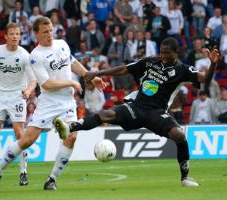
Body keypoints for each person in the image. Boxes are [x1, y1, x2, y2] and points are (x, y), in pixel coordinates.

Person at [54, 37, 220, 187]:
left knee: (180, 136)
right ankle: (70, 128)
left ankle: (185, 177)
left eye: (167, 53)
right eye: (161, 52)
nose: (162, 55)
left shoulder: (183, 70)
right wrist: (96, 73)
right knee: (106, 114)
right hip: (136, 107)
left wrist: (213, 63)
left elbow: (205, 79)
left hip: (157, 113)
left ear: (176, 53)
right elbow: (123, 69)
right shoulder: (150, 62)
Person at [0, 16, 105, 190]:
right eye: (45, 32)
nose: (49, 34)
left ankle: (52, 179)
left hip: (67, 103)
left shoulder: (62, 44)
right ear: (36, 34)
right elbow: (47, 84)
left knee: (72, 136)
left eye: (51, 31)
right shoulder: (35, 56)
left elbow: (73, 63)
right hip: (48, 102)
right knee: (27, 140)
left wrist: (90, 77)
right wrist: (72, 82)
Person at [0, 22, 37, 187]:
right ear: (5, 36)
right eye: (12, 34)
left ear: (20, 36)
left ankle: (23, 172)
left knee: (20, 134)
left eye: (17, 34)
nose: (15, 37)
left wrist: (27, 91)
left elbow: (33, 79)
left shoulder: (25, 55)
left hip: (17, 96)